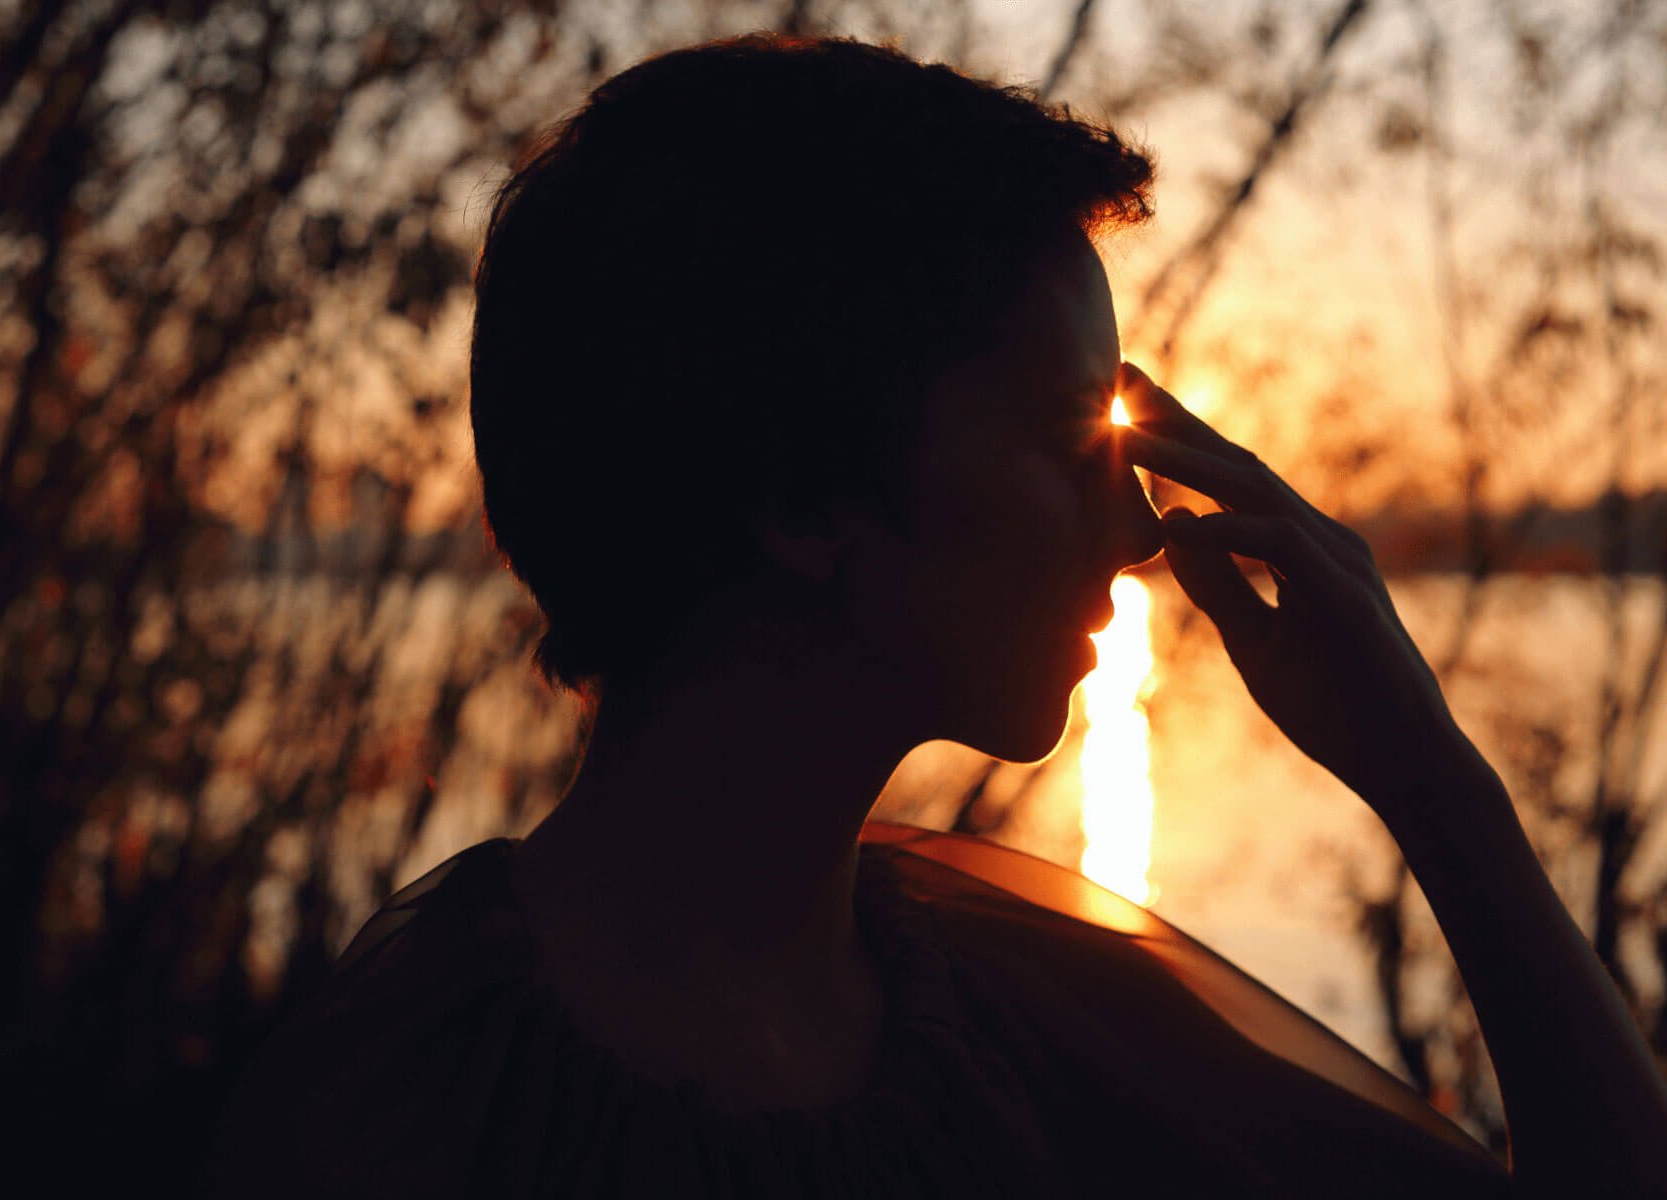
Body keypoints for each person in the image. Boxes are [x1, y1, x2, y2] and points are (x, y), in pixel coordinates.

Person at [199, 32, 1667, 1197]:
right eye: (1064, 433)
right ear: (800, 494)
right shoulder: (412, 1107)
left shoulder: (1011, 1013)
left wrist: (1429, 779)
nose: (1140, 524)